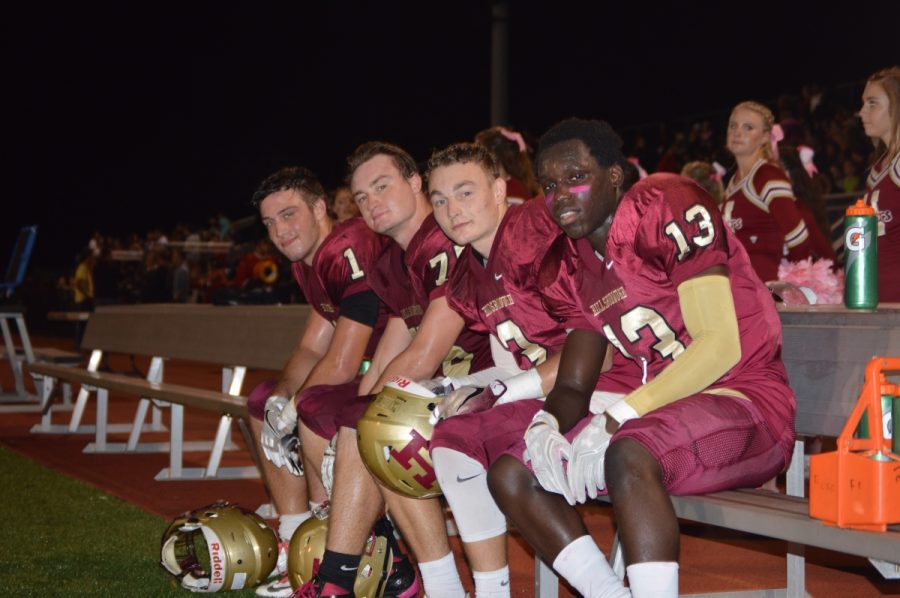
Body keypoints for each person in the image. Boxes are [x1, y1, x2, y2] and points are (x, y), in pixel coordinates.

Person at [486, 118, 796, 598]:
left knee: (629, 450)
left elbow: (719, 344)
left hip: (747, 402)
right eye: (548, 185)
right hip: (662, 419)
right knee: (514, 471)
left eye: (575, 177)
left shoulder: (664, 203)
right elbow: (572, 385)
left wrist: (617, 418)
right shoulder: (571, 262)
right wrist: (545, 426)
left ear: (614, 175)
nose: (561, 196)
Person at [291, 141, 493, 598]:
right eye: (361, 197)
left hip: (480, 384)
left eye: (381, 186)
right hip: (439, 386)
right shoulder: (389, 259)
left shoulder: (443, 240)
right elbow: (389, 351)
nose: (371, 202)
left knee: (373, 427)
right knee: (336, 414)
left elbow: (424, 353)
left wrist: (365, 416)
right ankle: (386, 564)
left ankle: (340, 581)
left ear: (415, 181)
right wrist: (361, 406)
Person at [424, 142, 583, 597]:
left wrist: (497, 390)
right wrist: (453, 385)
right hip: (542, 388)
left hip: (595, 386)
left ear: (499, 189)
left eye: (465, 193)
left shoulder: (536, 227)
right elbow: (509, 356)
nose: (452, 210)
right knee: (408, 419)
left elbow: (590, 345)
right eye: (439, 200)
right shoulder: (464, 274)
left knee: (460, 437)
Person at [245, 166, 391, 597]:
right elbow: (312, 347)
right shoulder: (309, 263)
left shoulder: (348, 247)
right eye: (270, 223)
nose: (280, 231)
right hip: (368, 371)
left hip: (403, 369)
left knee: (311, 410)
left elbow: (342, 363)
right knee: (260, 401)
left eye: (289, 215)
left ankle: (329, 544)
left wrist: (291, 411)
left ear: (319, 206)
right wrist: (279, 402)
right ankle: (296, 540)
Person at [723, 100, 814, 282]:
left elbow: (799, 238)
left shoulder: (767, 175)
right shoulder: (733, 181)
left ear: (765, 137)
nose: (737, 132)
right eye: (733, 125)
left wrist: (790, 287)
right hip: (739, 289)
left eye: (748, 127)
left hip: (764, 293)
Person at [859, 66, 900, 302]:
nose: (862, 112)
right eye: (864, 103)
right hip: (880, 301)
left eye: (872, 103)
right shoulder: (879, 166)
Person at [475, 126, 541, 203]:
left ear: (493, 158)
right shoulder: (516, 186)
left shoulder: (513, 192)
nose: (475, 162)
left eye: (479, 155)